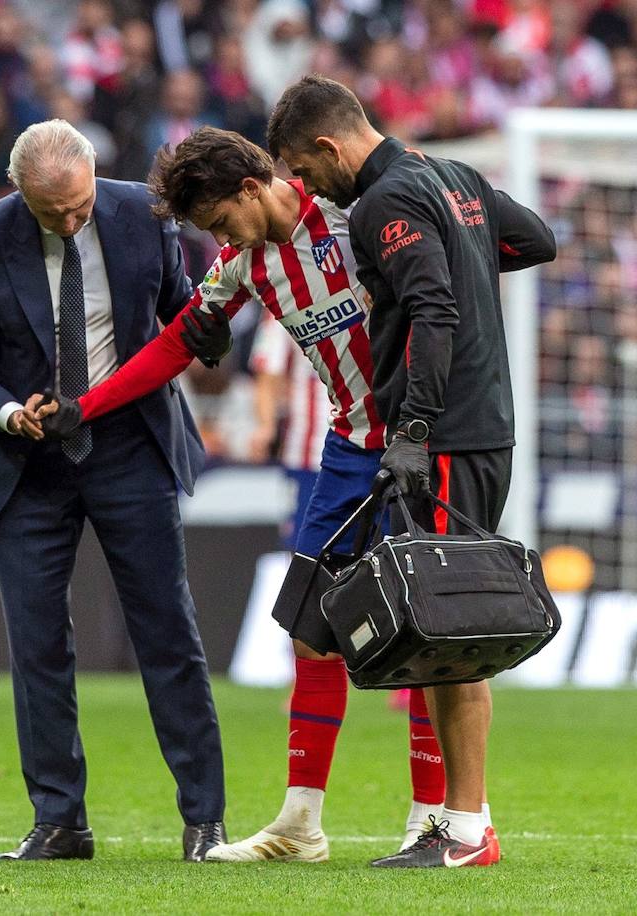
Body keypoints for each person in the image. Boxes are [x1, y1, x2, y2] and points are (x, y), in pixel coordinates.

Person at [22, 126, 449, 861]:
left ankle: (434, 820)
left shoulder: (354, 218)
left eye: (220, 221)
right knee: (310, 629)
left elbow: (450, 286)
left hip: (422, 443)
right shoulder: (242, 265)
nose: (221, 239)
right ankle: (302, 821)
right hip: (349, 448)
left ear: (252, 188)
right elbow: (173, 346)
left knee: (427, 636)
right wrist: (83, 407)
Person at [267, 75, 556, 868]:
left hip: (447, 434)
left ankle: (463, 831)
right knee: (448, 624)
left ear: (328, 146)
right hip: (488, 427)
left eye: (303, 166)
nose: (304, 186)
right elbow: (535, 240)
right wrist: (462, 251)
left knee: (450, 629)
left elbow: (432, 311)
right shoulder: (452, 177)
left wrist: (414, 431)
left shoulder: (381, 204)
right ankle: (464, 824)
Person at [0, 119, 225, 863]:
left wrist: (213, 328)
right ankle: (60, 821)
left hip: (129, 445)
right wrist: (9, 410)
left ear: (96, 176)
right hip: (24, 463)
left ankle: (206, 822)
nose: (70, 222)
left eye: (80, 206)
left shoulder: (143, 212)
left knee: (168, 633)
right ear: (19, 193)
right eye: (51, 213)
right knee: (37, 646)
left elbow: (179, 308)